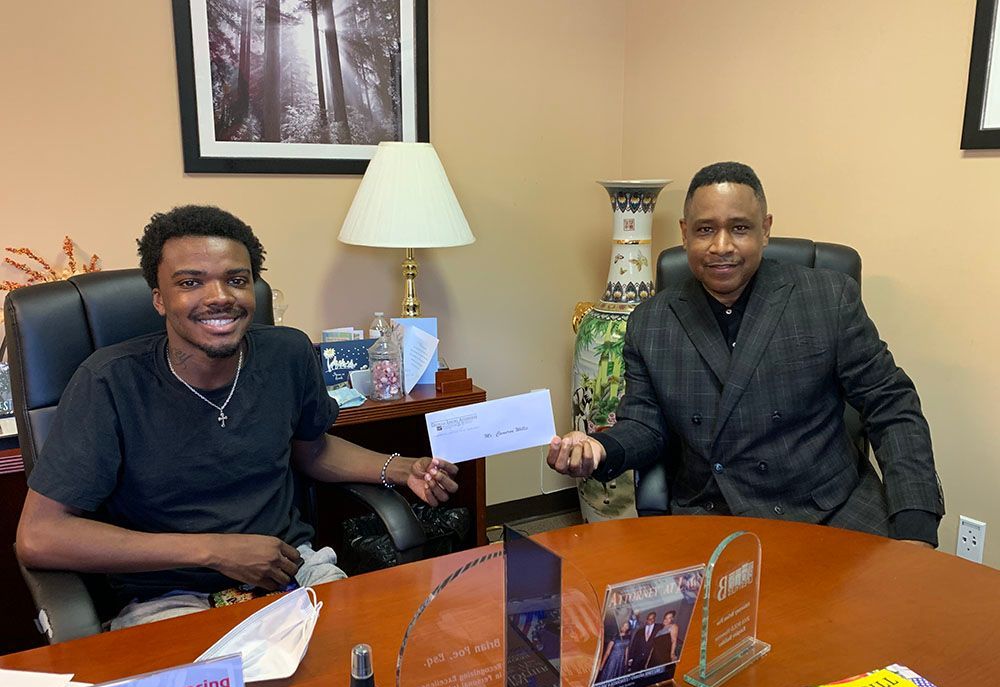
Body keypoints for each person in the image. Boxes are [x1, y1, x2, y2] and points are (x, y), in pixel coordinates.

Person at [15, 205, 460, 629]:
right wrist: (214, 551)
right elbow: (40, 536)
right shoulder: (108, 383)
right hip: (168, 597)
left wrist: (399, 468)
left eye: (236, 279)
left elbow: (312, 449)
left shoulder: (288, 354)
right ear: (159, 298)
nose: (219, 297)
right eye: (191, 282)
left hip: (291, 572)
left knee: (358, 674)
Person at [548, 162, 943, 546]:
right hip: (715, 513)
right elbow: (646, 425)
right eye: (705, 230)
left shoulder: (828, 299)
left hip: (828, 510)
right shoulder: (651, 322)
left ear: (765, 230)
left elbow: (892, 406)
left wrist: (914, 523)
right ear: (685, 234)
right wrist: (602, 448)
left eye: (739, 228)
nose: (722, 247)